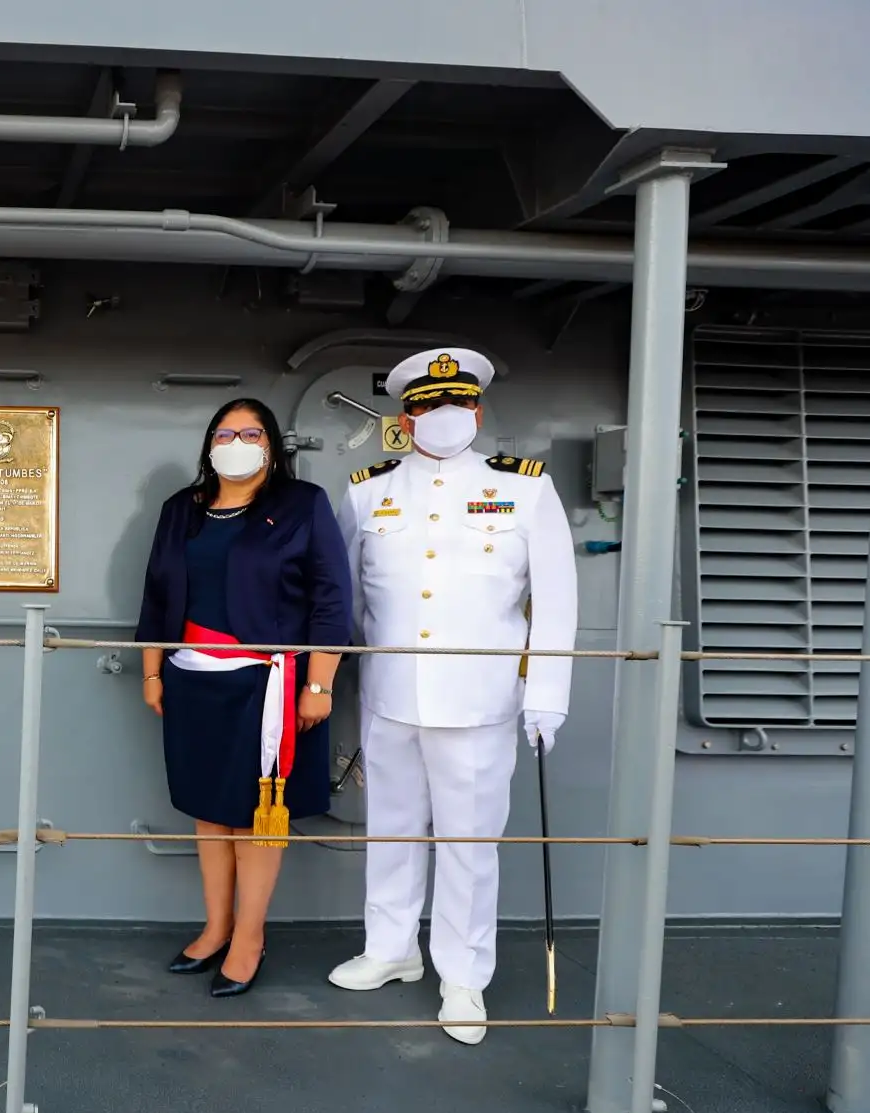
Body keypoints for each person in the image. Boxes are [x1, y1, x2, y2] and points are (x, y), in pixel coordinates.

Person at [328, 347, 575, 1046]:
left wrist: (547, 694)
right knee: (392, 829)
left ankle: (463, 977)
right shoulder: (366, 491)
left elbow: (555, 601)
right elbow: (347, 599)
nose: (444, 415)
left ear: (478, 412)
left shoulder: (525, 489)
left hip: (479, 701)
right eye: (428, 405)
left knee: (469, 843)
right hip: (390, 695)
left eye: (457, 403)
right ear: (406, 418)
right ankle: (391, 949)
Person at [135, 398, 351, 998]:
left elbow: (331, 597)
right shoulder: (181, 509)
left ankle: (249, 938)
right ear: (209, 445)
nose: (237, 442)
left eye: (251, 433)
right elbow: (156, 594)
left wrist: (319, 684)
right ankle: (216, 927)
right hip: (191, 678)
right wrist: (152, 673)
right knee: (208, 809)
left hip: (267, 684)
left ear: (272, 446)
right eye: (225, 433)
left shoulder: (302, 504)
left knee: (257, 814)